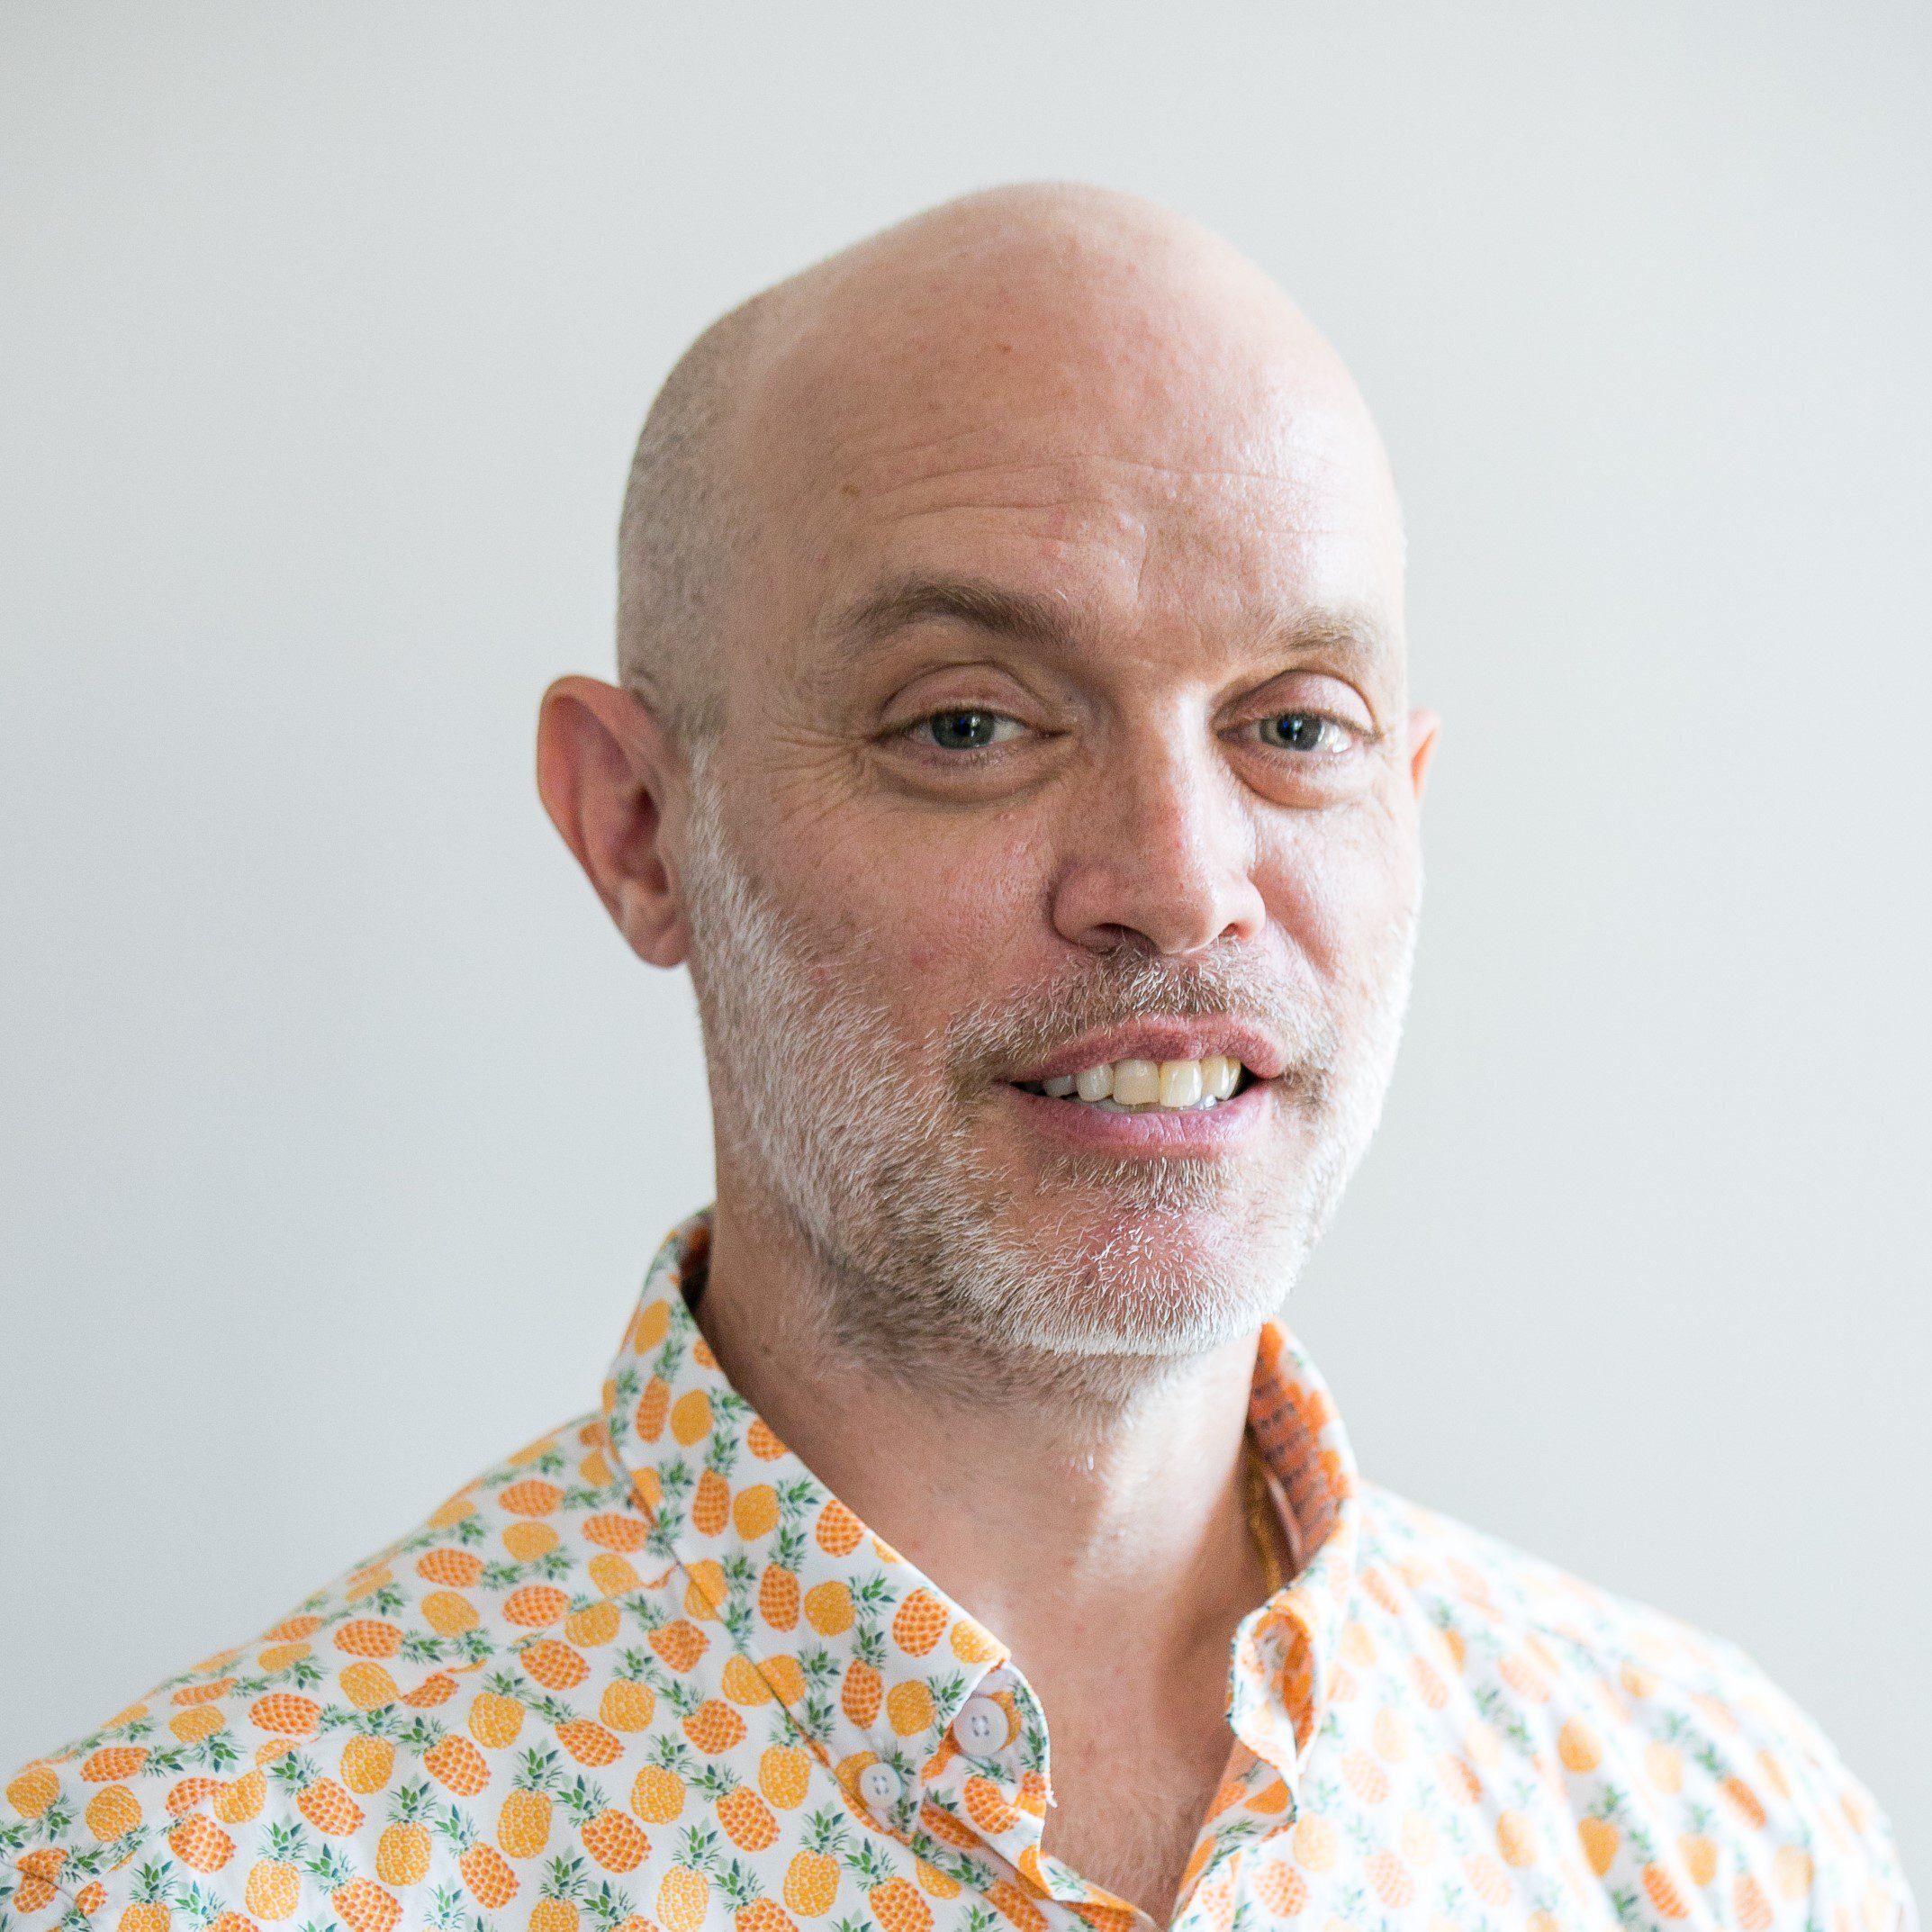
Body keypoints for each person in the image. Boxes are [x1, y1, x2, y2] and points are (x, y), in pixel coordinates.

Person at [3, 185, 1910, 1932]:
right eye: (970, 719)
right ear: (639, 827)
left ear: (1406, 805)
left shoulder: (1714, 1838)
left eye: (1291, 725)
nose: (1177, 880)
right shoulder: (181, 1889)